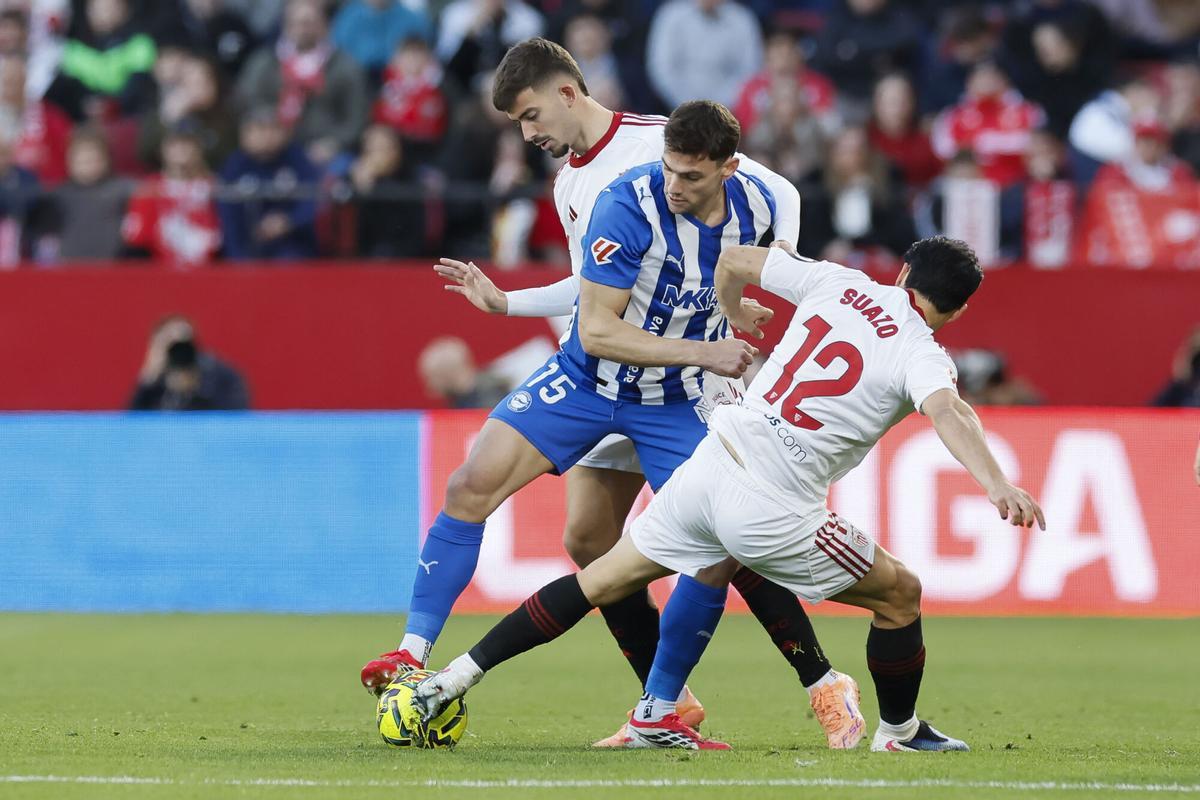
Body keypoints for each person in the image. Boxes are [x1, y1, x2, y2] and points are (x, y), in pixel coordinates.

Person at [361, 37, 864, 752]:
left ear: (568, 93)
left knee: (728, 540)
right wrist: (511, 304)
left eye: (532, 115)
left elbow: (768, 192)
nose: (528, 133)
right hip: (594, 375)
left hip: (681, 381)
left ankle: (822, 682)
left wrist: (760, 274)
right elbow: (597, 290)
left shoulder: (665, 144)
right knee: (576, 534)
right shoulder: (573, 180)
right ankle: (655, 700)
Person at [412, 236, 1046, 752]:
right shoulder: (923, 351)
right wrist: (997, 483)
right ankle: (899, 733)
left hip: (711, 463)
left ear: (902, 270)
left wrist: (735, 307)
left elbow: (738, 257)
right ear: (956, 311)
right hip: (774, 504)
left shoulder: (840, 282)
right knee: (901, 593)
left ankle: (450, 678)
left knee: (597, 582)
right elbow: (951, 414)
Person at [129, 314, 250, 410]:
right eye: (171, 345)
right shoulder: (153, 384)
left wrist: (197, 389)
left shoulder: (221, 377)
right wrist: (148, 378)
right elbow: (130, 428)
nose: (178, 351)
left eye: (183, 343)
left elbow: (236, 420)